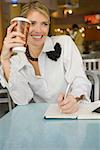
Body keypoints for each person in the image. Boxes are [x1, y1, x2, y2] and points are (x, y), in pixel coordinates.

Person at [0, 1, 91, 114]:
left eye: (44, 24)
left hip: (71, 114)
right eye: (32, 23)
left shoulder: (65, 43)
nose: (39, 30)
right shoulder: (16, 61)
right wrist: (4, 60)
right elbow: (22, 99)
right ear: (22, 26)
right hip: (40, 119)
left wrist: (74, 98)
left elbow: (80, 80)